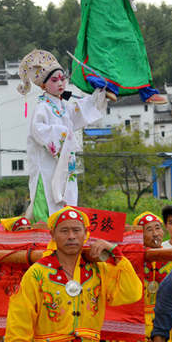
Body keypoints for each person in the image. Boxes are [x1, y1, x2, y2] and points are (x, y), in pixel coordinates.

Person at [4, 206, 143, 342]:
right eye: (64, 231)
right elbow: (18, 326)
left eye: (76, 230)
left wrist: (115, 252)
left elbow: (131, 293)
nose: (71, 236)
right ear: (52, 234)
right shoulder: (37, 274)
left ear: (86, 234)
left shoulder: (99, 270)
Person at [17, 49, 106, 221]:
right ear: (43, 85)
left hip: (64, 165)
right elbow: (38, 130)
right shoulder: (42, 107)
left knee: (68, 200)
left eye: (62, 79)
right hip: (47, 166)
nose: (60, 83)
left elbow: (80, 111)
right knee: (48, 202)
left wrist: (99, 94)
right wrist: (64, 133)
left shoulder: (63, 106)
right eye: (54, 80)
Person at [122, 212, 172, 342]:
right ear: (139, 235)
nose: (155, 233)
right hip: (137, 318)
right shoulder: (130, 259)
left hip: (165, 318)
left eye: (157, 228)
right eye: (149, 229)